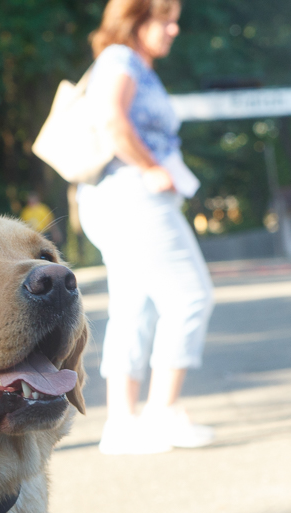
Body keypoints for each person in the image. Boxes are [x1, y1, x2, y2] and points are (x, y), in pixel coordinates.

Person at [77, 0, 215, 455]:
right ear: (137, 19)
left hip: (115, 197)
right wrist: (152, 166)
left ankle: (121, 423)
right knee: (190, 295)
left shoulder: (130, 63)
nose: (174, 29)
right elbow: (113, 121)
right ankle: (162, 412)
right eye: (166, 19)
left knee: (134, 305)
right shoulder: (121, 59)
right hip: (133, 193)